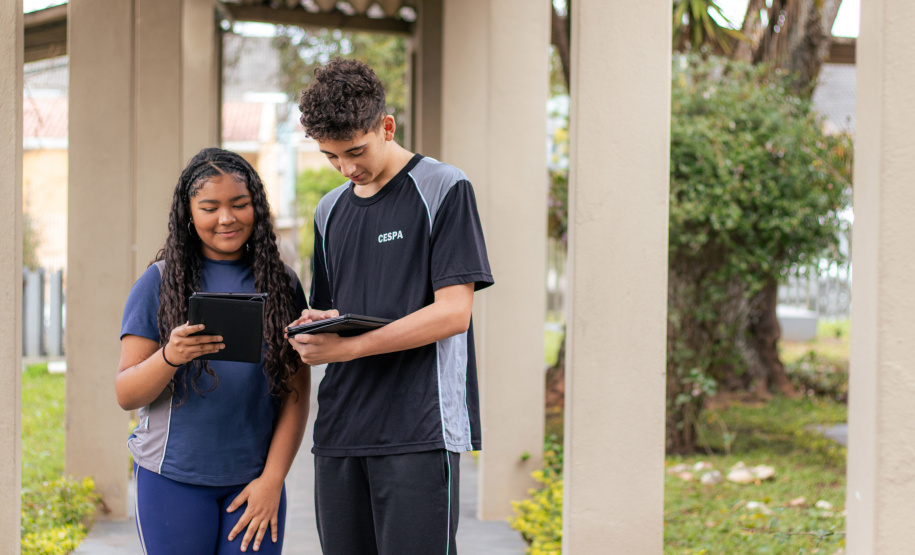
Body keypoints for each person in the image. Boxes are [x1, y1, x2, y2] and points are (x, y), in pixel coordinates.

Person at [289, 58, 493, 554]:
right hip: (340, 431)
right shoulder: (329, 210)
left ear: (386, 126)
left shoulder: (444, 187)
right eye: (331, 157)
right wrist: (319, 325)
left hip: (420, 430)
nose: (347, 169)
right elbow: (336, 307)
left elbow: (453, 313)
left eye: (355, 151)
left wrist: (348, 349)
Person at [116, 148, 310, 554]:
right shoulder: (159, 283)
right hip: (171, 480)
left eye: (240, 204)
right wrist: (170, 356)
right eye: (209, 208)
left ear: (257, 207)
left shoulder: (283, 285)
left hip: (254, 485)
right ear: (189, 214)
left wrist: (273, 479)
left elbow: (295, 395)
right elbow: (127, 394)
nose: (226, 218)